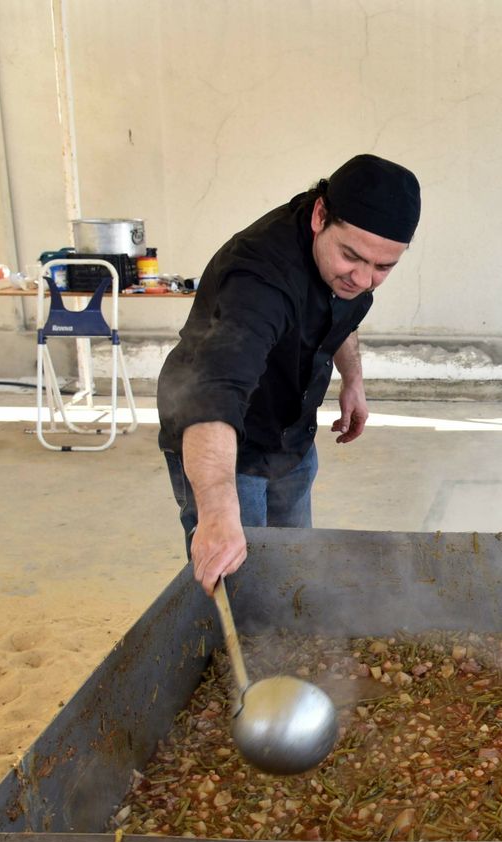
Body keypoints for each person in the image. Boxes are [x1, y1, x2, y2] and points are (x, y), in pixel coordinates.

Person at [156, 154, 421, 589]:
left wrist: (353, 380)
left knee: (294, 572)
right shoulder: (258, 279)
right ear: (320, 215)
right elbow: (214, 392)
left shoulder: (350, 264)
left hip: (292, 438)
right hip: (223, 443)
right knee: (239, 583)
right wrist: (218, 513)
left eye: (383, 267)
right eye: (352, 258)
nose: (364, 278)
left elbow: (344, 314)